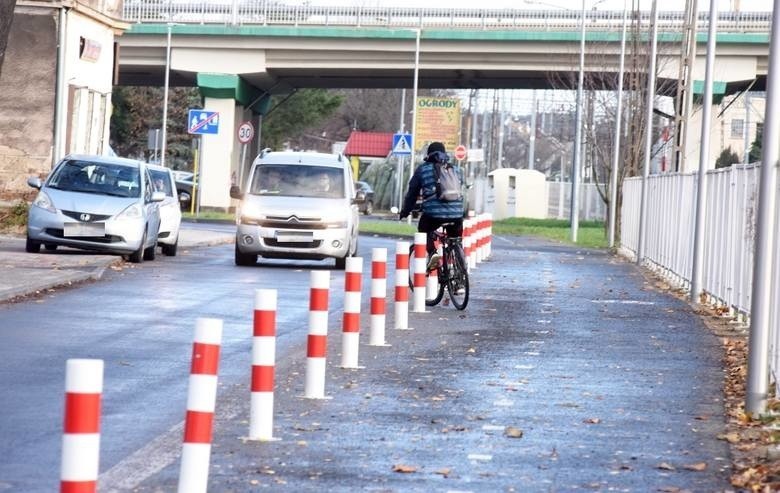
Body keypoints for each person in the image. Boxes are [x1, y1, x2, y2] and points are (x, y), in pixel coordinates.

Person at [399, 141, 464, 268]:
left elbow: (412, 193)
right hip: (456, 214)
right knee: (455, 238)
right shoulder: (454, 169)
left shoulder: (423, 170)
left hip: (434, 215)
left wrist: (405, 211)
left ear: (429, 155)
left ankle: (433, 253)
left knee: (424, 228)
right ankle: (460, 262)